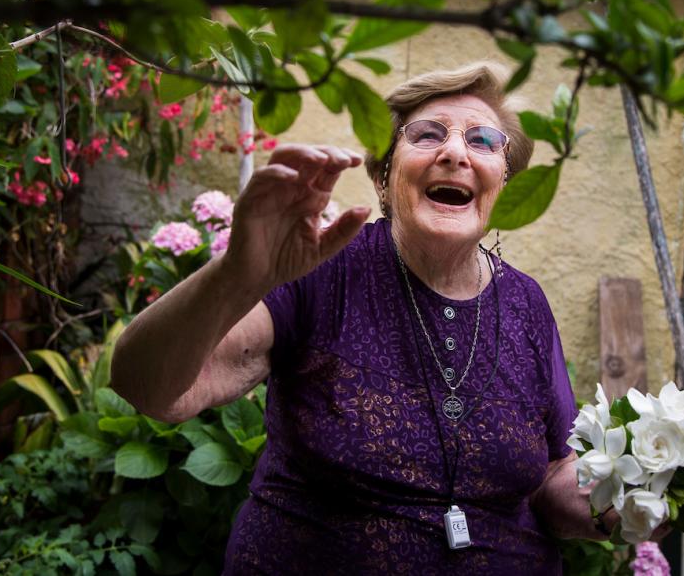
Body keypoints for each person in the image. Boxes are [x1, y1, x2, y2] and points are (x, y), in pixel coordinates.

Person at [111, 62, 618, 574]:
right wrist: (239, 272)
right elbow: (152, 389)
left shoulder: (526, 303)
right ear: (382, 176)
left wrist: (629, 492)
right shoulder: (323, 270)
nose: (455, 153)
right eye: (426, 135)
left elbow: (555, 471)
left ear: (502, 182)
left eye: (484, 141)